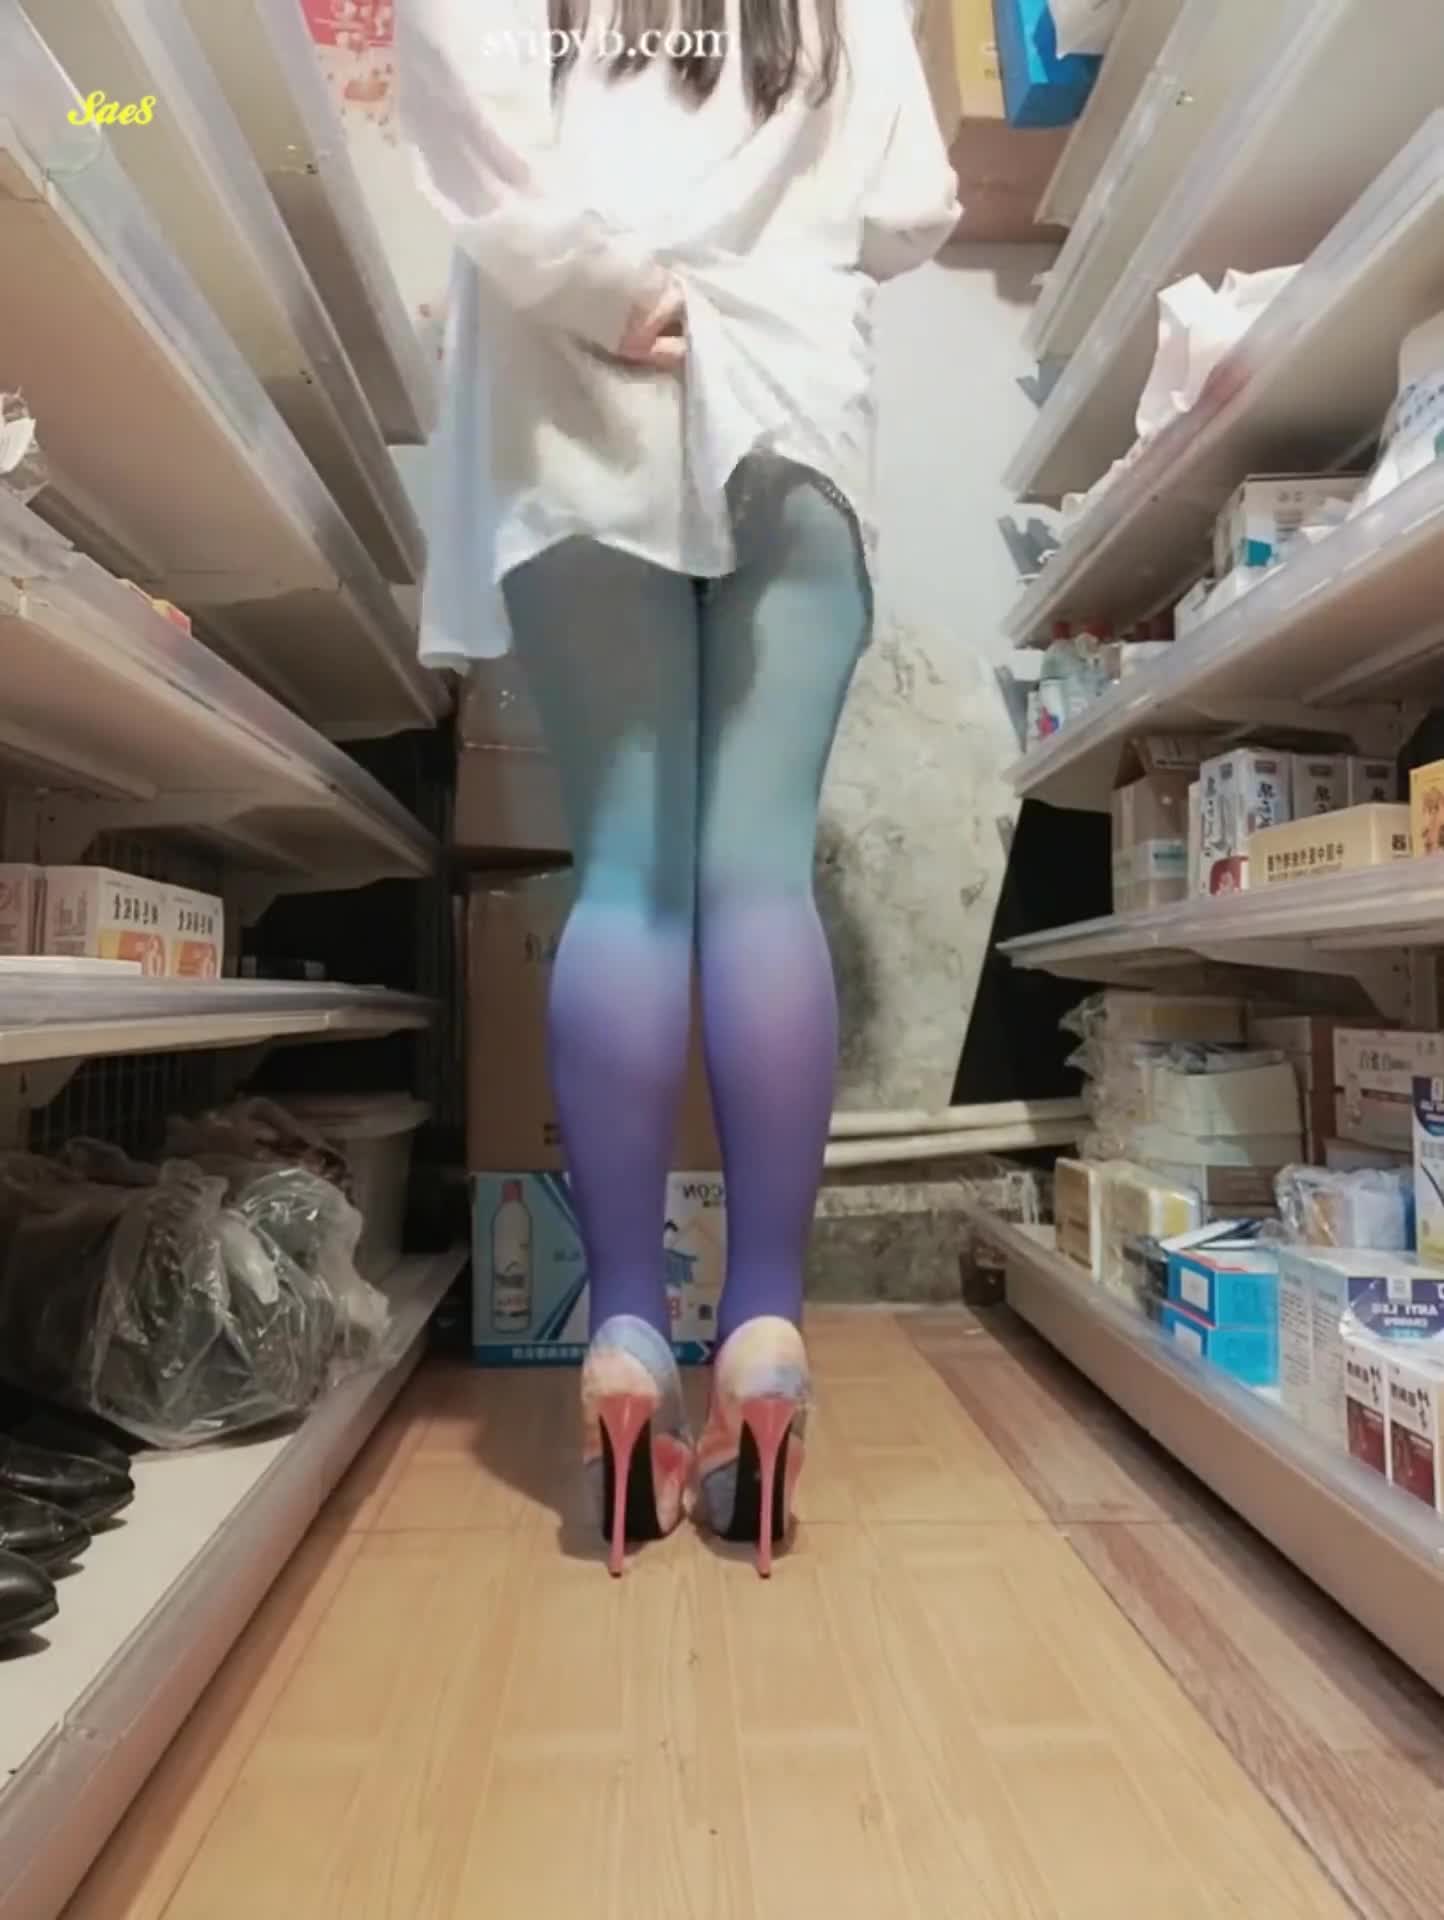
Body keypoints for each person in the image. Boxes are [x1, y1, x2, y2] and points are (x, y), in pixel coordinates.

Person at [399, 0, 959, 1576]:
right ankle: (765, 1336)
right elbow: (912, 204)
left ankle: (629, 1333)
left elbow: (455, 99)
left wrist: (606, 279)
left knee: (630, 883)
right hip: (792, 388)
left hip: (580, 394)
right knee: (760, 881)